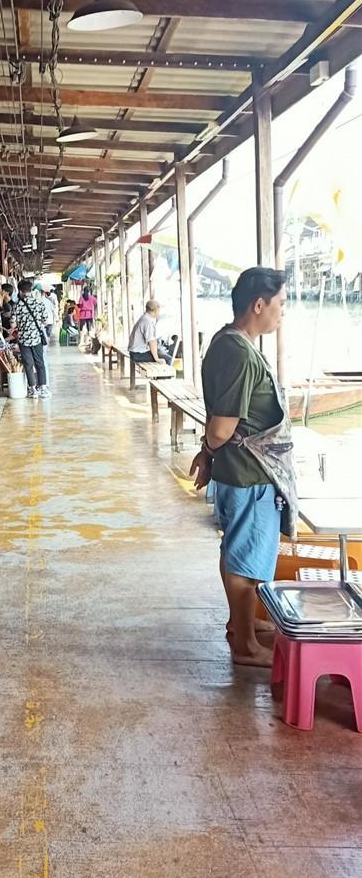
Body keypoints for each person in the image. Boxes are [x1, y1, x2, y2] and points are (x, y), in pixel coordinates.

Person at [190, 267, 294, 668]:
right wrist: (209, 447)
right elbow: (221, 426)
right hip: (248, 473)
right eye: (280, 304)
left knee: (237, 550)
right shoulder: (238, 351)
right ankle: (245, 643)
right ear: (258, 304)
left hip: (239, 470)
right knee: (245, 558)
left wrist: (210, 451)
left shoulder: (228, 342)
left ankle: (242, 624)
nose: (282, 312)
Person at [12, 278, 53, 399]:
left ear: (20, 291)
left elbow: (13, 324)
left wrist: (21, 325)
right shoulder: (38, 303)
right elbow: (46, 320)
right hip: (36, 338)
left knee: (28, 364)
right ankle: (43, 388)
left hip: (24, 340)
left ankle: (32, 389)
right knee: (40, 363)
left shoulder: (17, 306)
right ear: (30, 290)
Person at [128, 299, 172, 365]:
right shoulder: (147, 322)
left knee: (161, 352)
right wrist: (157, 359)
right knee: (168, 359)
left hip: (136, 352)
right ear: (155, 310)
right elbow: (151, 342)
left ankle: (158, 375)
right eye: (159, 310)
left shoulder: (145, 318)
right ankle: (162, 375)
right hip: (138, 354)